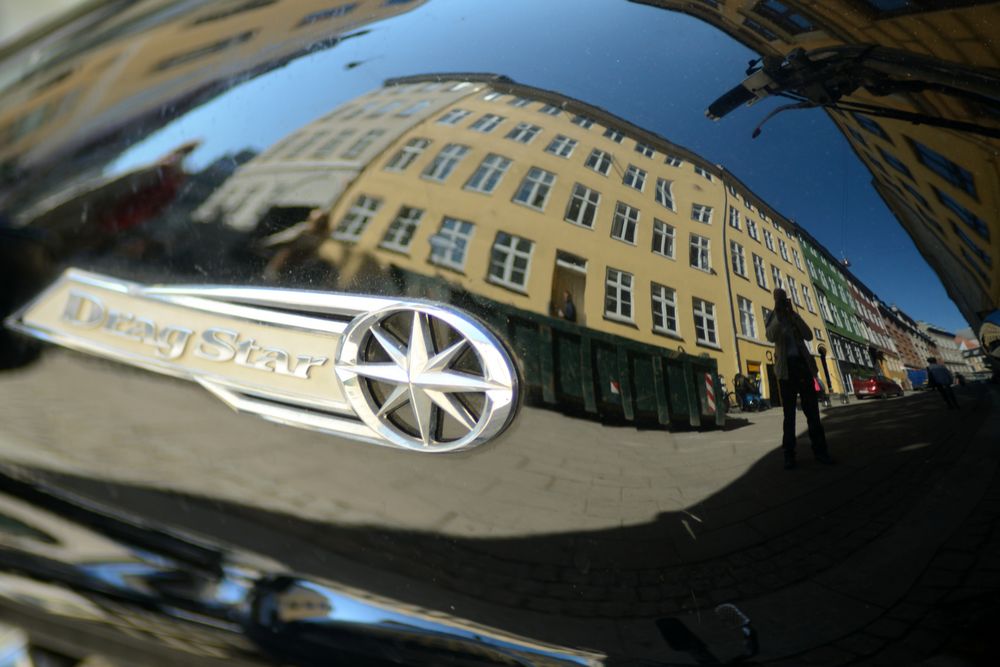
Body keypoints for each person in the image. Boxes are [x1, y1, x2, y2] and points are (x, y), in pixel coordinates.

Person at [765, 288, 833, 469]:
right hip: (786, 370)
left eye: (783, 299)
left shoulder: (794, 315)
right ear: (774, 299)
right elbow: (770, 336)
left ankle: (820, 451)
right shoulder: (773, 316)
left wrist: (793, 314)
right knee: (789, 415)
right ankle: (789, 455)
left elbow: (809, 335)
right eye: (778, 299)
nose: (781, 301)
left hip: (802, 366)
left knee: (812, 412)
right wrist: (779, 315)